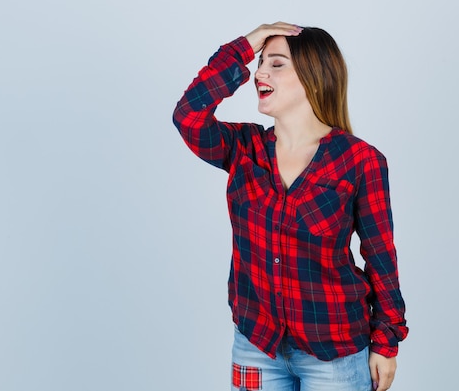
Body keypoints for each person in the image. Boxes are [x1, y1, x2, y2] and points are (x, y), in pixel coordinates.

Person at [173, 22, 408, 391]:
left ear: (314, 77)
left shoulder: (360, 161)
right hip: (256, 345)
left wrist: (386, 342)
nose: (260, 73)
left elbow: (380, 257)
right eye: (260, 62)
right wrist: (243, 48)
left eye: (276, 64)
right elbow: (188, 116)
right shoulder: (243, 149)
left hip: (335, 352)